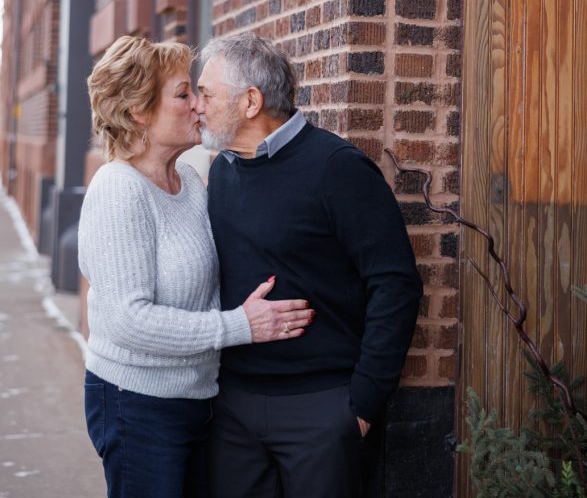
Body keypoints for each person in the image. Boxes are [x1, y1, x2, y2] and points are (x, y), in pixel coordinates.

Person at [78, 35, 313, 498]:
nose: (198, 107)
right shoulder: (117, 190)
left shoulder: (187, 178)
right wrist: (238, 326)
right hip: (137, 405)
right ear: (138, 112)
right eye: (184, 94)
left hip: (199, 398)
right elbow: (128, 320)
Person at [196, 32, 423, 498]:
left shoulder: (337, 169)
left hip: (321, 410)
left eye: (206, 94)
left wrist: (360, 406)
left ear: (250, 102)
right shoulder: (222, 171)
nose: (197, 105)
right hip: (234, 409)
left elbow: (395, 283)